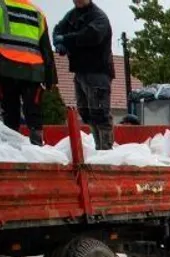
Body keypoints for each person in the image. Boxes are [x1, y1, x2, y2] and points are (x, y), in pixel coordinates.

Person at [52, 0, 112, 149]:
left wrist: (66, 40)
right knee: (85, 112)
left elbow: (91, 36)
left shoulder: (99, 17)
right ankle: (98, 146)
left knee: (100, 113)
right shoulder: (71, 15)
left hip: (97, 72)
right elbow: (58, 29)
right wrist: (58, 42)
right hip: (80, 72)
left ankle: (105, 149)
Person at [0, 0, 58, 146]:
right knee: (33, 110)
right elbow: (45, 46)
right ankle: (37, 145)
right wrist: (51, 78)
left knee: (10, 110)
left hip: (7, 67)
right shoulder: (37, 12)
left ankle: (11, 147)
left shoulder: (2, 6)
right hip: (34, 71)